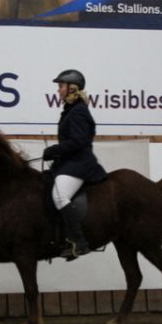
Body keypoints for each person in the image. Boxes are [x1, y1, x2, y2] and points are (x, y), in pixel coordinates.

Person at [43, 70, 107, 260]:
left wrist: (55, 150)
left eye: (60, 86)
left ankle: (79, 242)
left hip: (79, 164)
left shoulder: (78, 111)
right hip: (68, 162)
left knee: (60, 196)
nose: (58, 90)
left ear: (72, 88)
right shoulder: (70, 109)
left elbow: (78, 141)